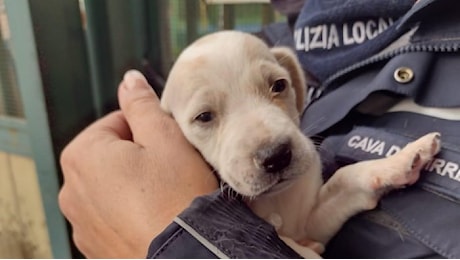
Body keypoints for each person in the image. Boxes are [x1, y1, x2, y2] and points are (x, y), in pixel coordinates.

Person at [58, 0, 460, 258]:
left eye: (275, 87)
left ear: (296, 85)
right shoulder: (292, 31)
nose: (270, 141)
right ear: (170, 135)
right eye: (206, 117)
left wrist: (178, 240)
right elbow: (316, 219)